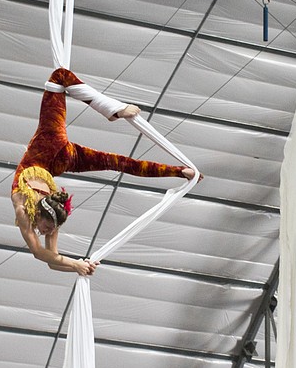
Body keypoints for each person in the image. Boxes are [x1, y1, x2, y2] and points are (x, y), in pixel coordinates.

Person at [12, 67, 197, 277]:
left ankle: (114, 110)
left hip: (49, 144)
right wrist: (80, 265)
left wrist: (75, 266)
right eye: (48, 230)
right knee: (118, 162)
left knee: (59, 76)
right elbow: (52, 261)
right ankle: (181, 172)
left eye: (46, 229)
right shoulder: (54, 213)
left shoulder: (23, 210)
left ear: (38, 214)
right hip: (63, 159)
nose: (45, 232)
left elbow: (38, 253)